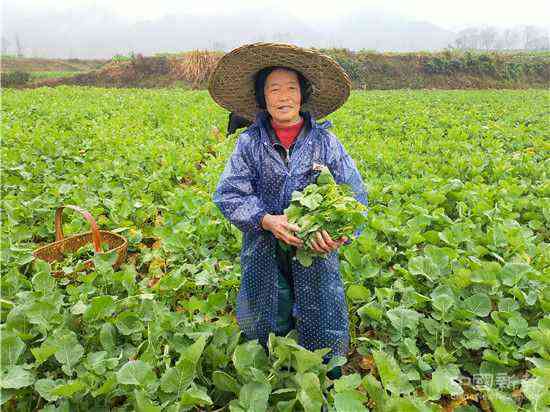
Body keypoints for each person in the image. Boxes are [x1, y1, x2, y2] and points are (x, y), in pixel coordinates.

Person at [208, 43, 368, 380]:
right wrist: (266, 220)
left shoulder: (326, 143)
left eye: (291, 88)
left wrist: (337, 235)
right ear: (262, 98)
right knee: (266, 313)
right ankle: (269, 376)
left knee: (321, 313)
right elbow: (229, 194)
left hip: (316, 250)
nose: (283, 97)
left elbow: (354, 196)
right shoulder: (249, 144)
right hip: (263, 248)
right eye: (274, 89)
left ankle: (323, 377)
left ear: (302, 95)